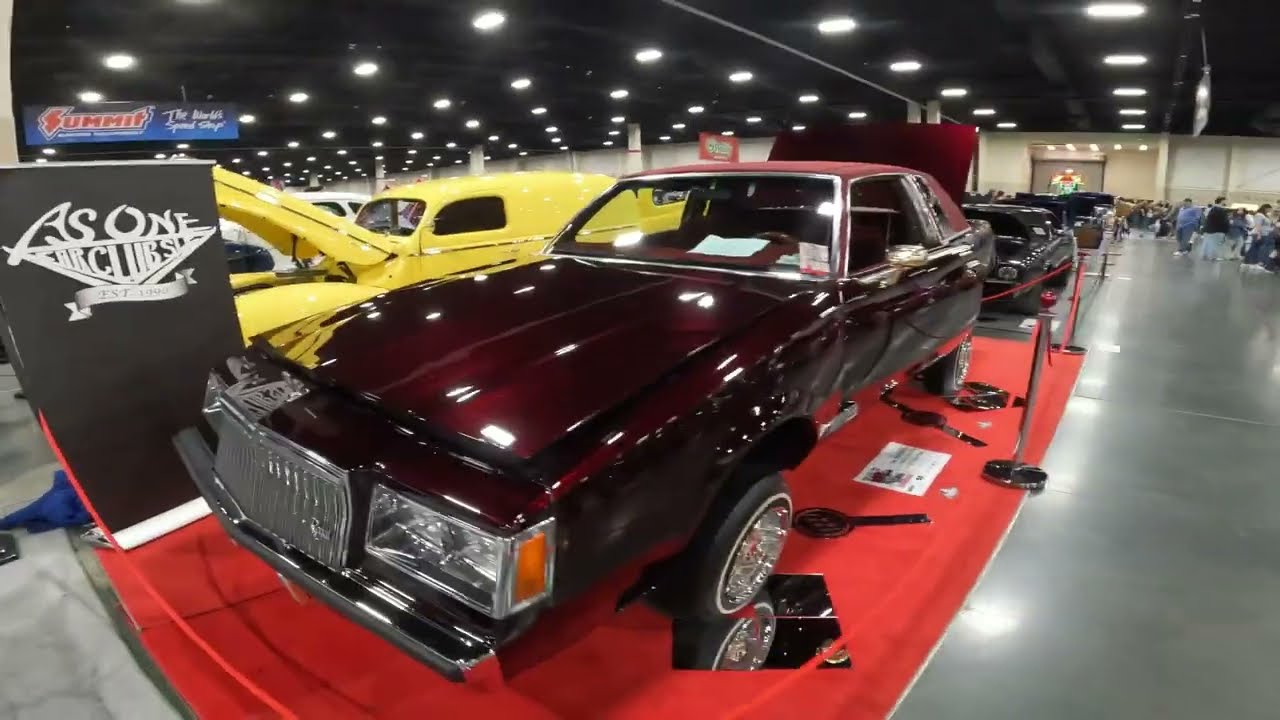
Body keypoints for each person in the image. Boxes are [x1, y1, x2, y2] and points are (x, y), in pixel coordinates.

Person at [1243, 204, 1273, 270]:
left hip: (1265, 234)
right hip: (1259, 234)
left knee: (1256, 248)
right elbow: (1258, 225)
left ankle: (1250, 262)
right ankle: (1250, 262)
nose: (1269, 210)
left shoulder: (1265, 216)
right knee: (1255, 248)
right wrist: (1259, 234)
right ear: (1265, 208)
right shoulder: (1259, 215)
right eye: (1269, 209)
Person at [1199, 197, 1230, 261]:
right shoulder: (1220, 210)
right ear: (1222, 201)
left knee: (1208, 243)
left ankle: (1205, 255)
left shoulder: (1212, 209)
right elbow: (1224, 221)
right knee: (1215, 243)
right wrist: (1226, 229)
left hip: (1210, 229)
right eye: (1225, 201)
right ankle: (1213, 256)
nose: (1226, 202)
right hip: (1217, 230)